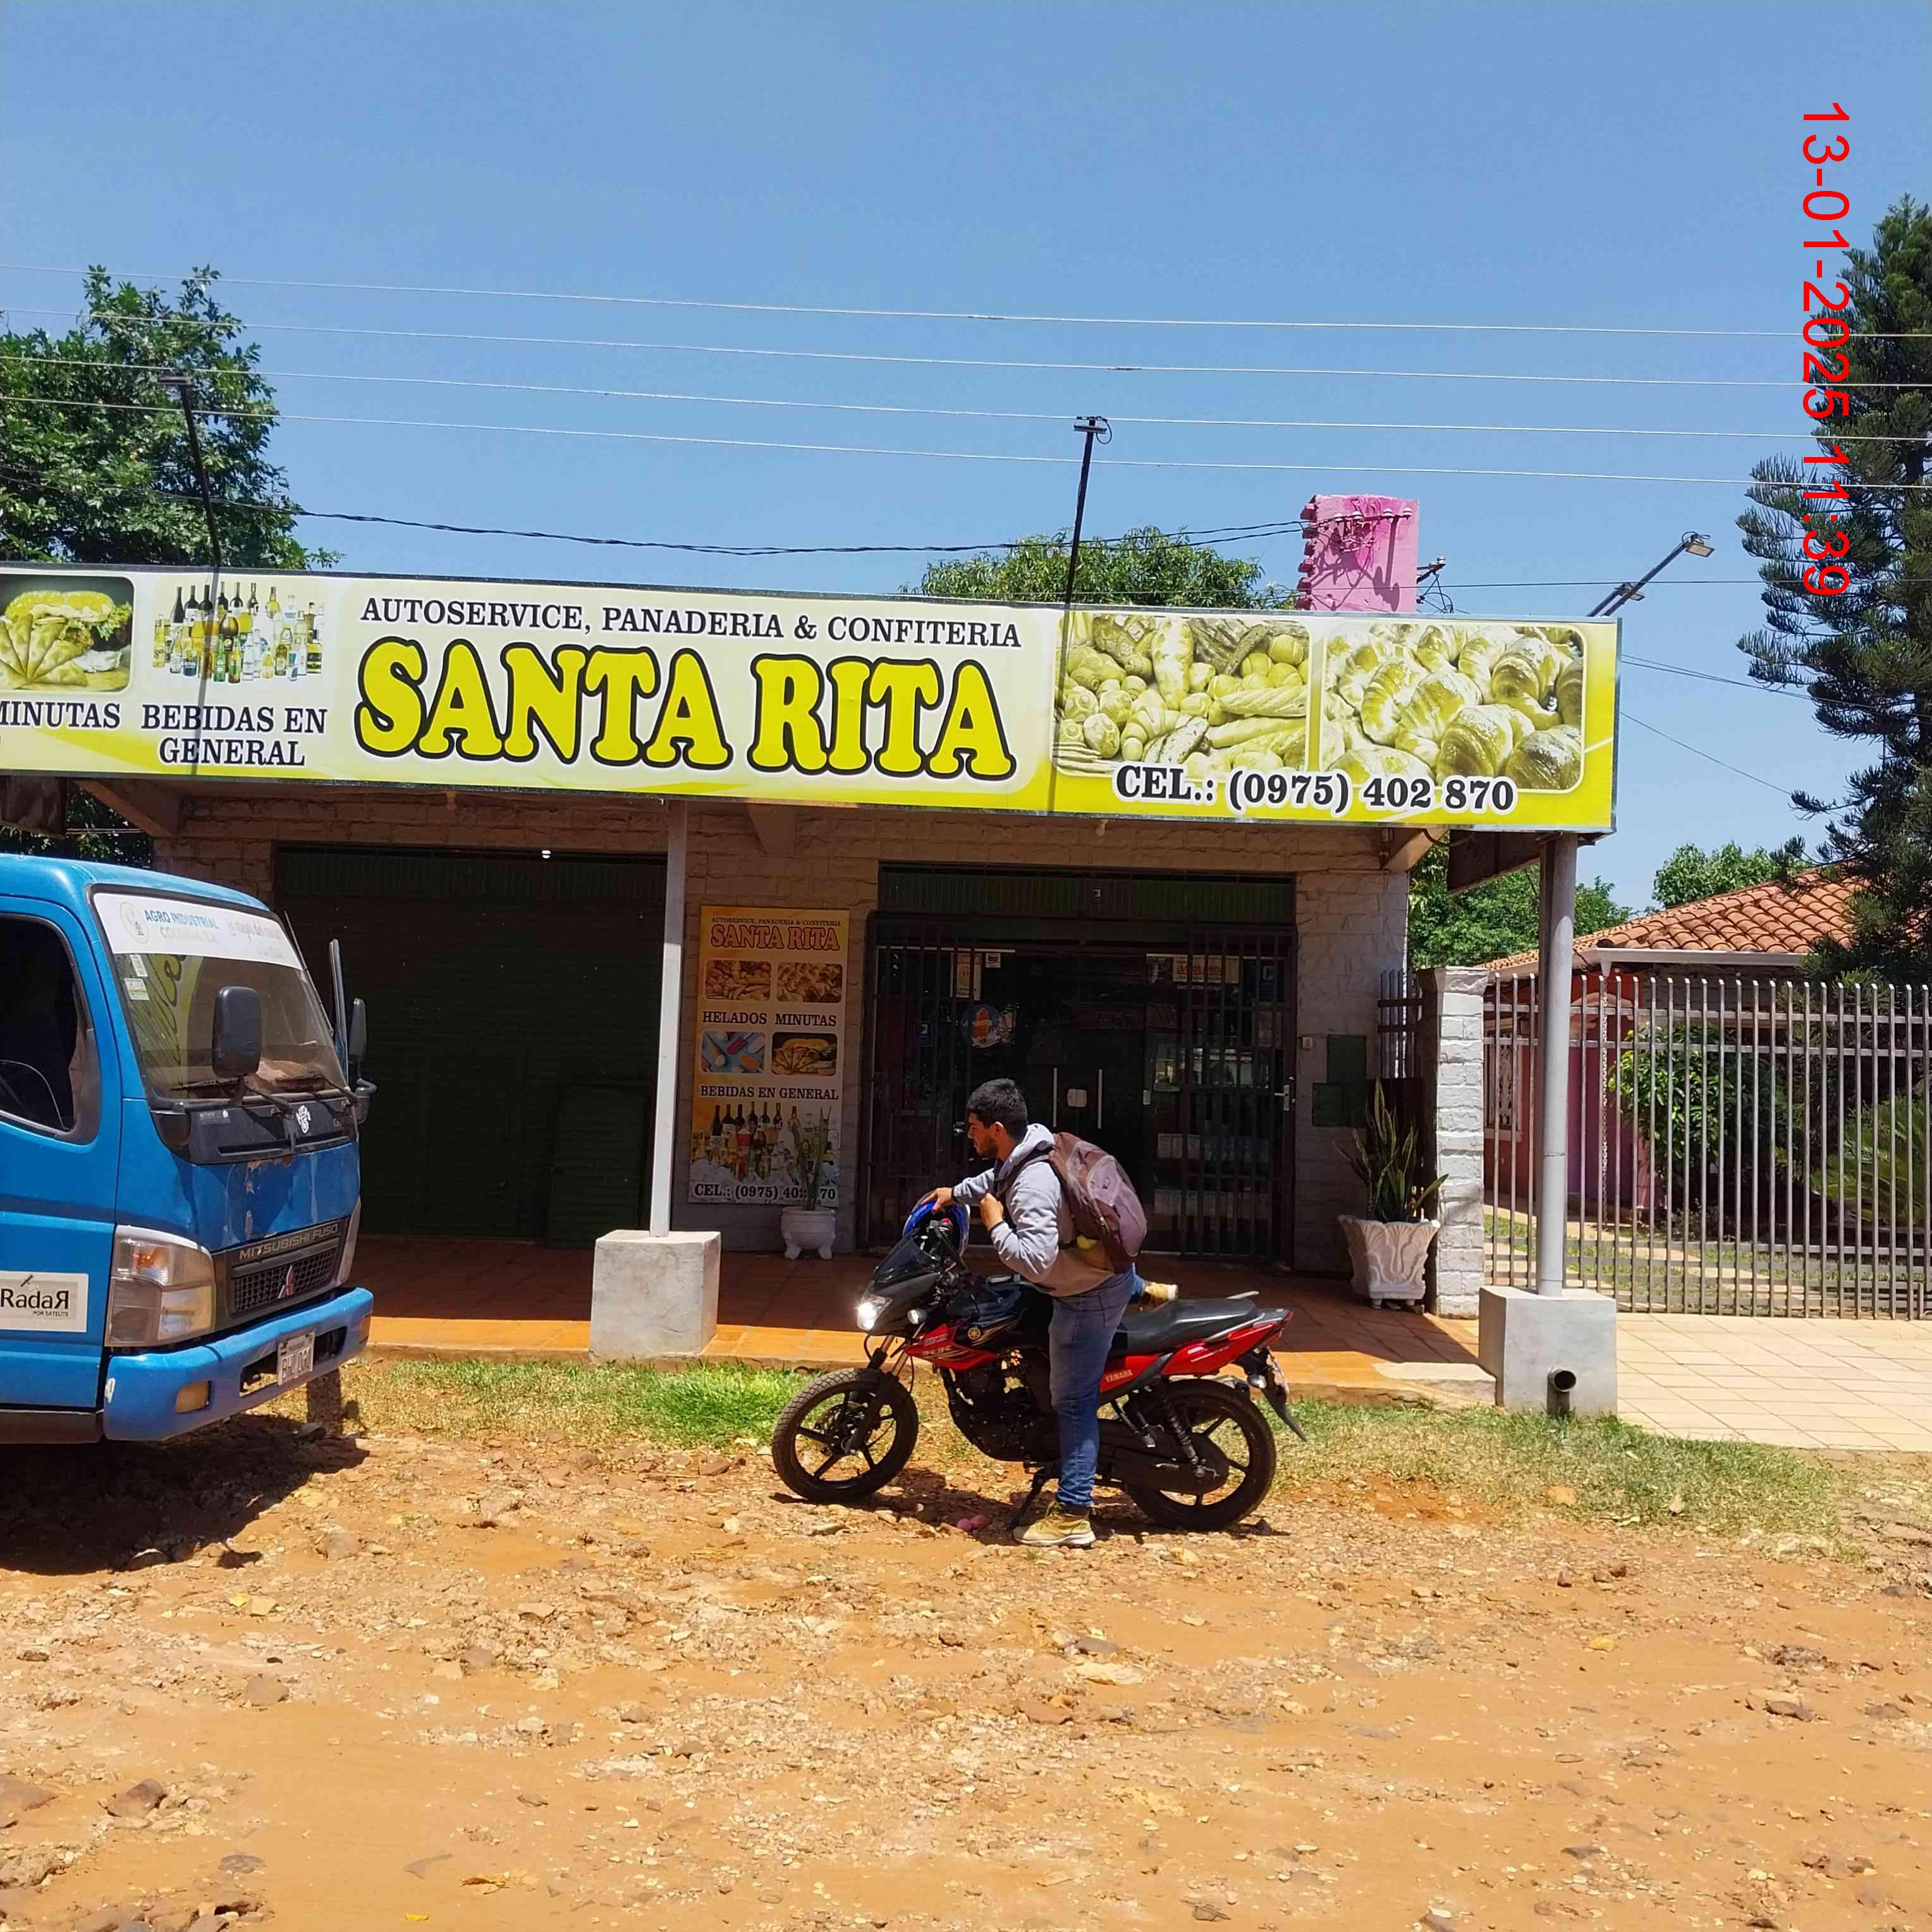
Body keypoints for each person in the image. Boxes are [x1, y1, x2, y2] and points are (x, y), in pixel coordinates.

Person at [925, 1077, 1137, 1548]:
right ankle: (1140, 1289)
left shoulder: (1032, 1185)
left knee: (1073, 1400)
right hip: (1093, 1275)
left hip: (1085, 1296)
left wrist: (996, 1225)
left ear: (997, 1129)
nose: (969, 1134)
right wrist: (952, 1193)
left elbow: (1036, 1261)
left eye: (974, 1127)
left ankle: (1074, 1514)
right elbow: (993, 1182)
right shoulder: (1032, 1149)